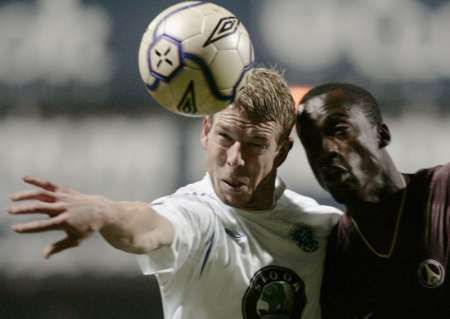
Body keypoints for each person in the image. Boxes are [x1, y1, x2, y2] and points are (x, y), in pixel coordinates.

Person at [8, 68, 342, 319]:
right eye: (226, 137)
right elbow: (150, 227)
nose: (235, 159)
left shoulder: (323, 227)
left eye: (256, 145)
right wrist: (106, 213)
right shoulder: (196, 215)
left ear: (283, 151)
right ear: (206, 131)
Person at [296, 82, 450, 318]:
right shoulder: (335, 259)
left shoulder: (442, 190)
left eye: (339, 130)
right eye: (311, 142)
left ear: (382, 134)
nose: (325, 149)